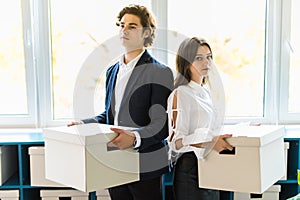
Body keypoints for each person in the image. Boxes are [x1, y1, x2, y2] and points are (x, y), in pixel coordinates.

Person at [68, 4, 174, 200]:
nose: (124, 30)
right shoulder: (112, 71)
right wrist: (84, 123)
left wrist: (134, 138)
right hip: (115, 159)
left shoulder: (160, 72)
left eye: (132, 26)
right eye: (122, 25)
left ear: (146, 33)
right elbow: (110, 114)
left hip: (146, 162)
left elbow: (162, 125)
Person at [166, 37, 233, 200]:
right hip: (189, 170)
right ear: (186, 62)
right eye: (199, 58)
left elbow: (212, 129)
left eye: (209, 57)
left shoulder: (206, 93)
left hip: (210, 165)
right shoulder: (180, 93)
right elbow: (176, 142)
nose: (206, 62)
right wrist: (210, 141)